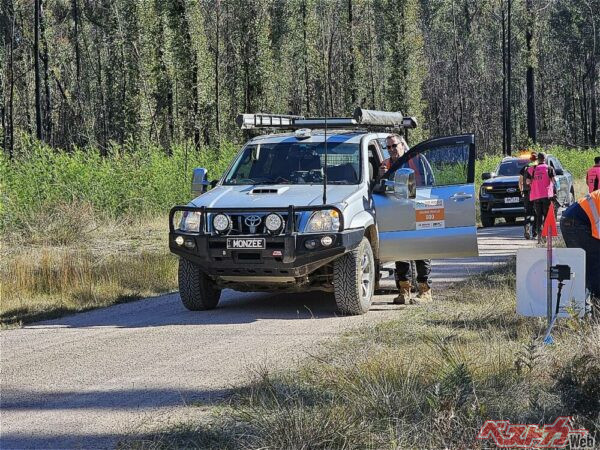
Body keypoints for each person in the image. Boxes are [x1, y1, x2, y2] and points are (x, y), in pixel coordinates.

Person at [379, 134, 432, 305]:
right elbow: (380, 188)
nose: (392, 150)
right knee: (400, 251)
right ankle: (404, 291)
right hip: (396, 213)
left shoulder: (417, 159)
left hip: (418, 209)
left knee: (421, 250)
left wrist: (426, 203)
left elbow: (430, 181)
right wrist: (381, 176)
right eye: (388, 147)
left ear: (402, 145)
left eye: (394, 145)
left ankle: (425, 291)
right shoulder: (385, 165)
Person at [560, 190, 600, 313]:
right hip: (577, 223)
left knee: (585, 269)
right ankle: (596, 312)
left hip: (575, 220)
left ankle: (584, 309)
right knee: (595, 267)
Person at [529, 152, 556, 243]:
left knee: (538, 216)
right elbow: (554, 181)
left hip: (536, 196)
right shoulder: (549, 168)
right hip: (546, 196)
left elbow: (528, 182)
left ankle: (539, 237)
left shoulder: (532, 169)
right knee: (546, 216)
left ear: (538, 159)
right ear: (544, 158)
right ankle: (545, 236)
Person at [519, 152, 537, 239]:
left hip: (526, 192)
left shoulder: (525, 167)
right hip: (536, 193)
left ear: (530, 159)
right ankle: (535, 232)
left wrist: (521, 190)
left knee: (527, 212)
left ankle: (526, 229)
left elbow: (520, 181)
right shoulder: (538, 167)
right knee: (537, 213)